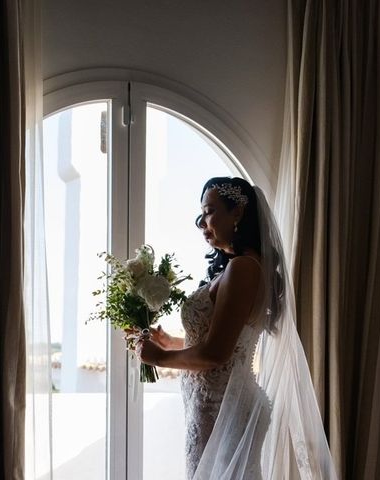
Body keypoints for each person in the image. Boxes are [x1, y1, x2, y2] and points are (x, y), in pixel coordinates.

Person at [134, 177, 337, 479]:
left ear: (238, 213)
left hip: (224, 406)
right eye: (202, 214)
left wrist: (159, 359)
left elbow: (217, 353)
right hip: (215, 404)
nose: (203, 222)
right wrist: (170, 343)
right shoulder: (236, 267)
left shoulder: (243, 268)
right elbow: (222, 339)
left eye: (210, 211)